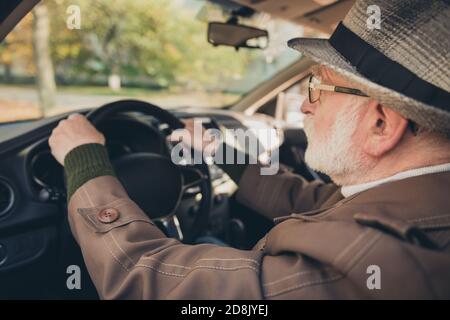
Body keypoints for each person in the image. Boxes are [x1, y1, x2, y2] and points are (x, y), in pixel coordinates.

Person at [48, 0, 450, 299]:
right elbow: (307, 199)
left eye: (316, 87)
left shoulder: (364, 272)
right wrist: (219, 150)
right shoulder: (413, 199)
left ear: (381, 125)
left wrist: (85, 161)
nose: (305, 105)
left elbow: (149, 282)